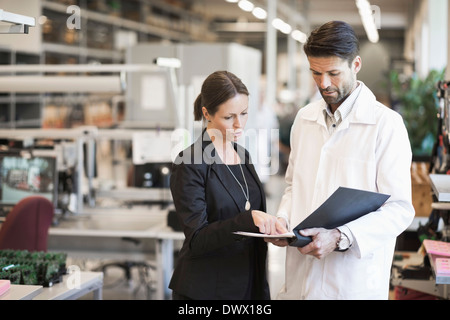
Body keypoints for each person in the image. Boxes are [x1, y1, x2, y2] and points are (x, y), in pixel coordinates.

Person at [267, 21, 415, 300]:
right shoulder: (304, 119)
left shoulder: (386, 125)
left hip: (351, 283)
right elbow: (292, 187)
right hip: (301, 275)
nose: (323, 83)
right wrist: (283, 220)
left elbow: (399, 209)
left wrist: (340, 236)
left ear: (356, 64)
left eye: (333, 73)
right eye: (316, 73)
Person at [169, 70, 285, 300]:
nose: (239, 124)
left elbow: (247, 207)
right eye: (229, 117)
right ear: (207, 113)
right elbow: (197, 238)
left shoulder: (243, 155)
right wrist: (249, 220)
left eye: (244, 113)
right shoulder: (191, 162)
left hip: (249, 282)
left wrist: (270, 229)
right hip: (208, 289)